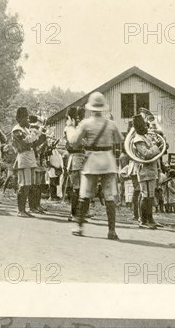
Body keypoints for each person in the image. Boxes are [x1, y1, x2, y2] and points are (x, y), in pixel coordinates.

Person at [69, 92, 122, 240]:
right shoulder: (110, 123)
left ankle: (79, 227)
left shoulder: (85, 123)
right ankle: (112, 231)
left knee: (85, 194)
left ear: (90, 108)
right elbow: (118, 139)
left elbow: (74, 142)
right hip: (108, 161)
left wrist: (72, 130)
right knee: (109, 196)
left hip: (92, 160)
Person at [11, 106, 46, 217]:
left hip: (29, 159)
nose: (28, 120)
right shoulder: (17, 130)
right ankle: (21, 210)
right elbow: (25, 142)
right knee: (23, 185)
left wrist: (42, 137)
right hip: (24, 158)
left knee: (28, 185)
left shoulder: (25, 129)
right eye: (25, 118)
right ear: (19, 119)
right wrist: (37, 133)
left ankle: (24, 209)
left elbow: (33, 144)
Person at [63, 106, 87, 221]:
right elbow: (74, 143)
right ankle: (74, 213)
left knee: (81, 188)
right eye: (77, 118)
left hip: (81, 158)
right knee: (76, 188)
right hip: (75, 159)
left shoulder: (76, 128)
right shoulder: (70, 128)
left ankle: (80, 212)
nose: (79, 120)